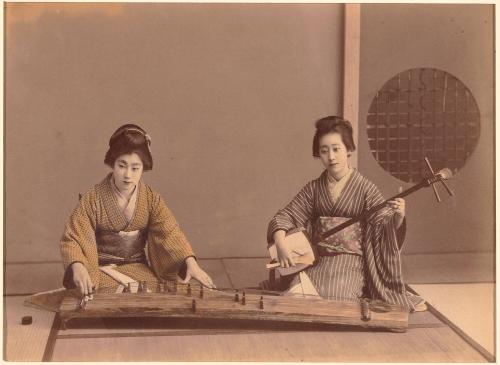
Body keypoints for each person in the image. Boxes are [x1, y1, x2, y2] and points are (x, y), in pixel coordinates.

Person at [267, 116, 424, 311]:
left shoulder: (365, 188)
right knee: (296, 294)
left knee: (337, 298)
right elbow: (286, 216)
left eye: (336, 149)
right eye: (324, 151)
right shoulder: (314, 189)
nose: (331, 157)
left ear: (348, 150)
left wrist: (398, 216)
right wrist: (281, 242)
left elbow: (383, 225)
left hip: (350, 261)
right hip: (317, 259)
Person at [60, 124, 215, 297]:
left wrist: (190, 262)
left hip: (138, 268)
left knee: (156, 294)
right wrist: (78, 266)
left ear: (144, 168)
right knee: (104, 295)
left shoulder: (151, 199)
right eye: (122, 166)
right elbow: (74, 237)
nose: (128, 175)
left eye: (135, 168)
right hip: (100, 269)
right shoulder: (93, 198)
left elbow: (169, 232)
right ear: (112, 163)